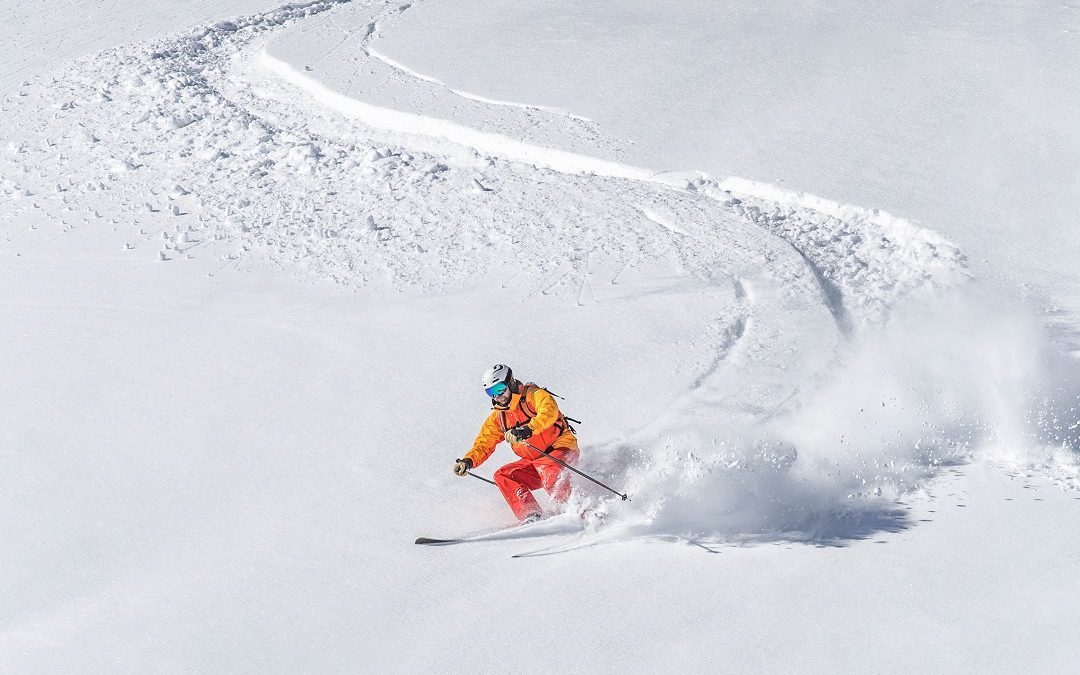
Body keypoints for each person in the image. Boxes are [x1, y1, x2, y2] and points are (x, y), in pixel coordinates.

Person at [454, 364, 579, 522]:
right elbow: (484, 443)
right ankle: (531, 515)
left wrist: (527, 429)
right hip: (535, 461)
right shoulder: (499, 417)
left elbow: (549, 411)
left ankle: (577, 510)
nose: (497, 396)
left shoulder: (534, 395)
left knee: (550, 471)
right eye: (491, 393)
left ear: (510, 383)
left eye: (499, 389)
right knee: (504, 475)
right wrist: (469, 461)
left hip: (559, 449)